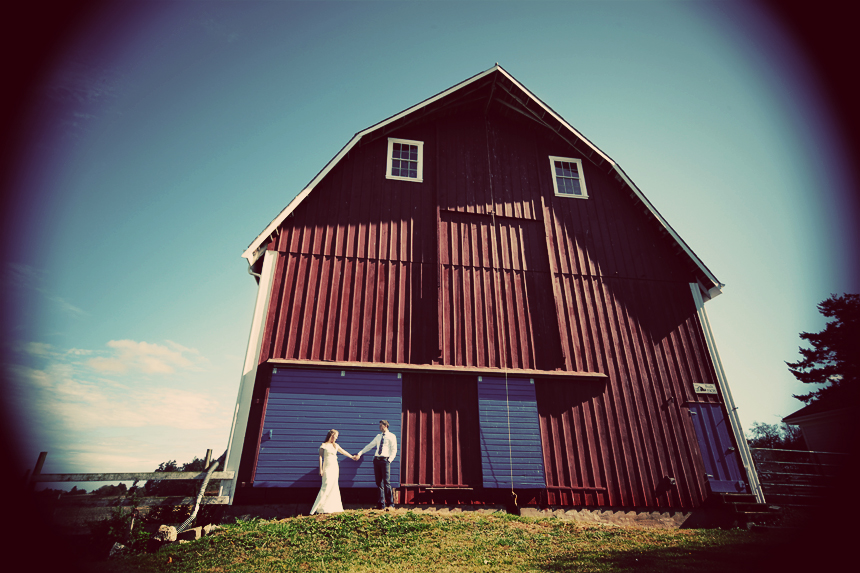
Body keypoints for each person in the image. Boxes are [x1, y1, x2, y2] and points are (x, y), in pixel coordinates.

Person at [354, 420, 397, 511]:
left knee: (386, 482)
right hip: (377, 460)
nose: (379, 427)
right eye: (379, 425)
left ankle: (390, 504)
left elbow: (394, 450)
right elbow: (370, 446)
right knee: (379, 483)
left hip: (385, 460)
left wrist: (389, 460)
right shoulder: (378, 436)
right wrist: (360, 453)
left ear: (385, 426)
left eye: (381, 425)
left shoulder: (392, 436)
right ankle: (381, 504)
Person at [309, 429, 354, 515]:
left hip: (335, 467)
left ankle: (332, 507)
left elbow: (343, 452)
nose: (336, 438)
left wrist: (352, 457)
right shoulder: (323, 445)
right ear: (332, 435)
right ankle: (317, 508)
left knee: (334, 486)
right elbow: (320, 457)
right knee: (326, 485)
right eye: (336, 436)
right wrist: (321, 469)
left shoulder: (335, 445)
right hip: (327, 467)